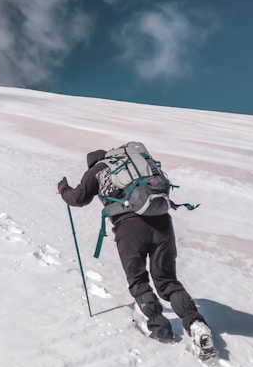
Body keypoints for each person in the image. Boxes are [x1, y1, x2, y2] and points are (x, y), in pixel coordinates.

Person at [57, 149, 215, 356]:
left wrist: (63, 189)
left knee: (138, 280)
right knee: (167, 281)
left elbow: (78, 198)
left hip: (129, 228)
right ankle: (196, 324)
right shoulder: (136, 163)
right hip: (162, 224)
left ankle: (160, 329)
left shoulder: (96, 170)